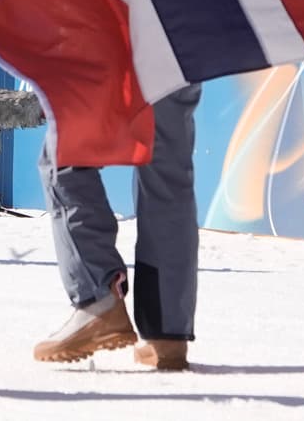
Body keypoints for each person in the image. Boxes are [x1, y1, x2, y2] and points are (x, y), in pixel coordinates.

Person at [33, 84, 202, 372]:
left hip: (108, 43)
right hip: (180, 44)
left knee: (66, 151)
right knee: (166, 170)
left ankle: (98, 297)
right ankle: (167, 333)